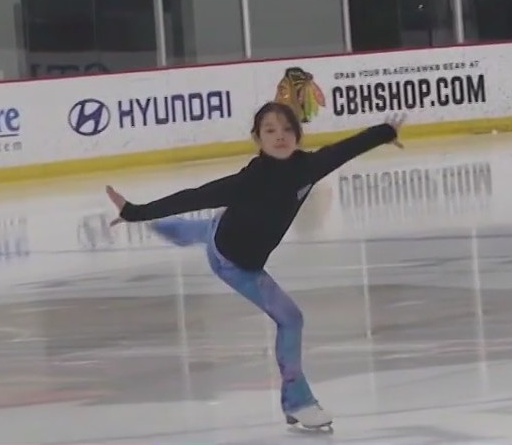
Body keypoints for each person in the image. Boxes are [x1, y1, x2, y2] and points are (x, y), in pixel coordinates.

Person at [104, 101, 405, 429]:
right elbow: (195, 196)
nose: (280, 136)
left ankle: (178, 231)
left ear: (298, 135)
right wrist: (135, 212)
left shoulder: (308, 167)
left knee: (206, 229)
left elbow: (345, 149)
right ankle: (299, 401)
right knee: (291, 319)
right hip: (232, 262)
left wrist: (385, 132)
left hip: (225, 228)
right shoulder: (250, 180)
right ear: (258, 138)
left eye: (287, 129)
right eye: (270, 130)